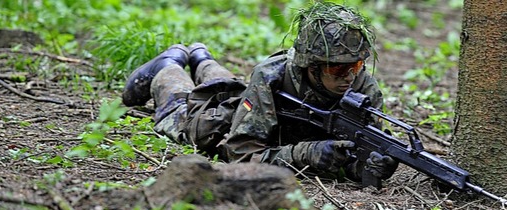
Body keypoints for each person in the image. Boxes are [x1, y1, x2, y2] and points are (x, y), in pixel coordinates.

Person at [121, 2, 399, 184]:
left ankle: (201, 57)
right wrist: (305, 153)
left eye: (357, 66)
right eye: (337, 70)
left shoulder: (364, 89)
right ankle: (167, 67)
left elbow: (355, 157)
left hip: (261, 110)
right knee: (193, 124)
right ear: (310, 67)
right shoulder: (272, 77)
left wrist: (367, 168)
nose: (350, 77)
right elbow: (240, 153)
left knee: (235, 90)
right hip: (233, 124)